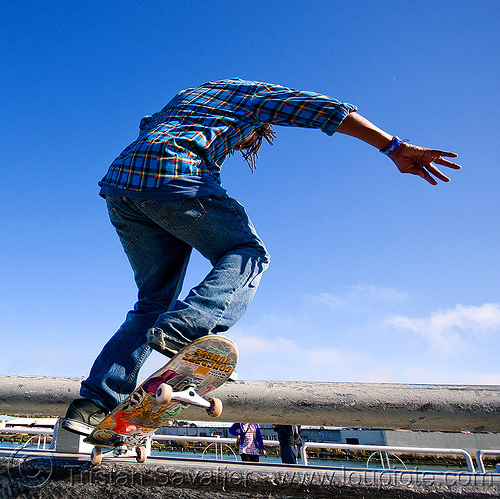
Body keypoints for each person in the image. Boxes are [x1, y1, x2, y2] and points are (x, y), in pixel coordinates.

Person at [62, 78, 461, 436]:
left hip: (122, 189)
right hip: (176, 175)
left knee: (152, 303)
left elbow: (148, 123)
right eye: (245, 142)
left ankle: (94, 404)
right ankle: (186, 329)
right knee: (247, 253)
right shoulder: (249, 95)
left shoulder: (184, 101)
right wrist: (393, 146)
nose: (239, 145)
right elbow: (321, 108)